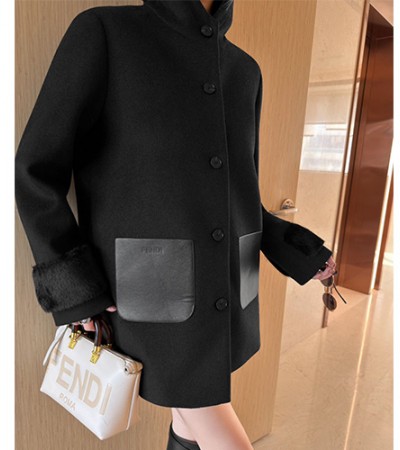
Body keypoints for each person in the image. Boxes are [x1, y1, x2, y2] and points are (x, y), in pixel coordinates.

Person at [15, 0, 336, 448]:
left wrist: (303, 253)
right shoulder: (105, 33)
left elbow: (239, 192)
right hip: (144, 293)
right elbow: (35, 171)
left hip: (227, 288)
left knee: (189, 423)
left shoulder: (245, 71)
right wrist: (76, 291)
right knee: (209, 418)